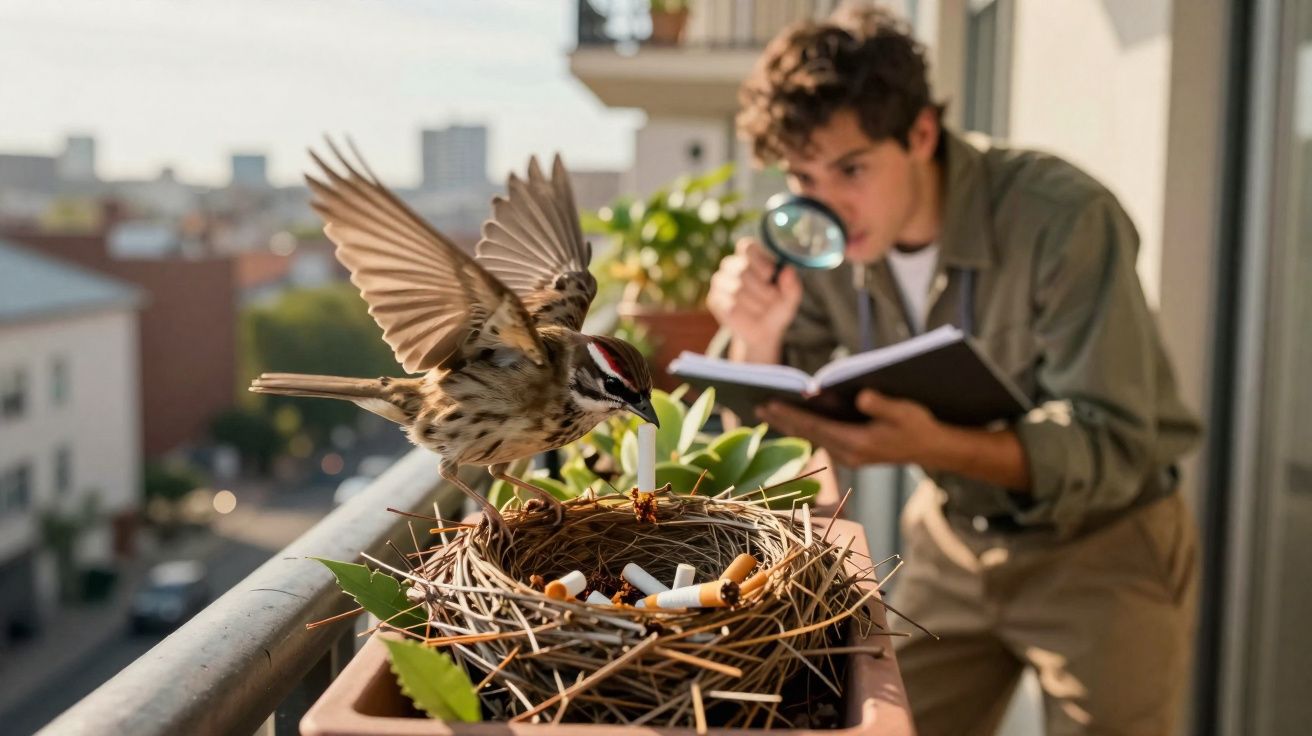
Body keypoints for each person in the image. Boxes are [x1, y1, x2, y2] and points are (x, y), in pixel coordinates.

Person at [707, 6, 1201, 735]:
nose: (828, 206)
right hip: (947, 534)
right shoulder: (821, 245)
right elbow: (764, 437)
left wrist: (928, 446)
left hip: (1104, 548)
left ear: (921, 135)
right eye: (802, 178)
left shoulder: (1062, 219)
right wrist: (758, 338)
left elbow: (1114, 442)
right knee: (870, 721)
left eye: (851, 168)